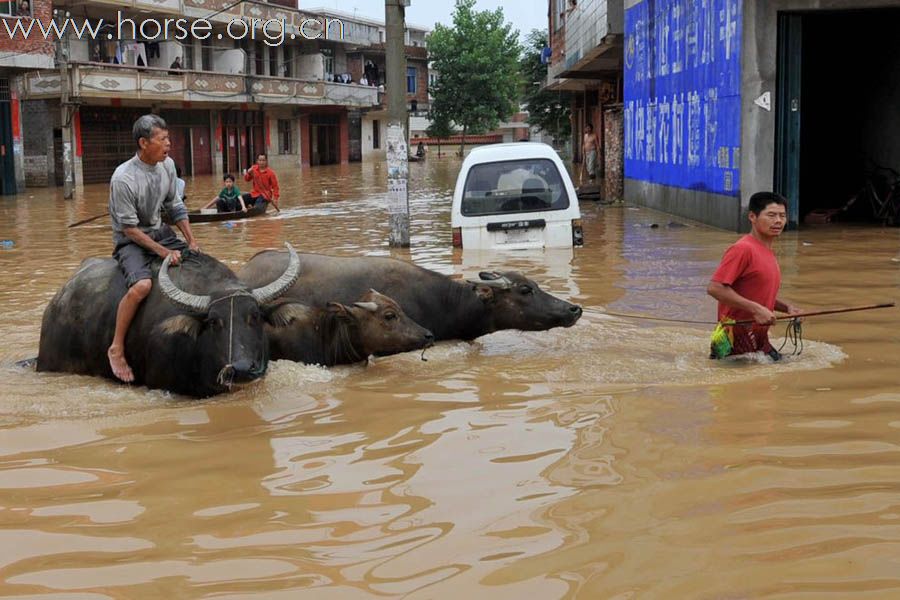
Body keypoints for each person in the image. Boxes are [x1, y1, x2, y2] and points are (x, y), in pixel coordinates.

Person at [107, 114, 200, 383]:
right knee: (141, 287)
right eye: (163, 139)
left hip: (160, 231)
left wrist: (190, 240)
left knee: (199, 261)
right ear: (143, 143)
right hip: (131, 240)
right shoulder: (123, 179)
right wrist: (162, 252)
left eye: (168, 138)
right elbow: (129, 230)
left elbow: (175, 206)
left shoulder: (168, 165)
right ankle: (116, 347)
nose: (169, 144)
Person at [707, 191, 802, 361]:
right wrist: (757, 309)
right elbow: (715, 288)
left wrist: (786, 308)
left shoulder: (767, 250)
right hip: (734, 336)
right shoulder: (742, 249)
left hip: (759, 335)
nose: (778, 221)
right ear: (752, 216)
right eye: (771, 215)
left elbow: (755, 293)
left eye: (782, 216)